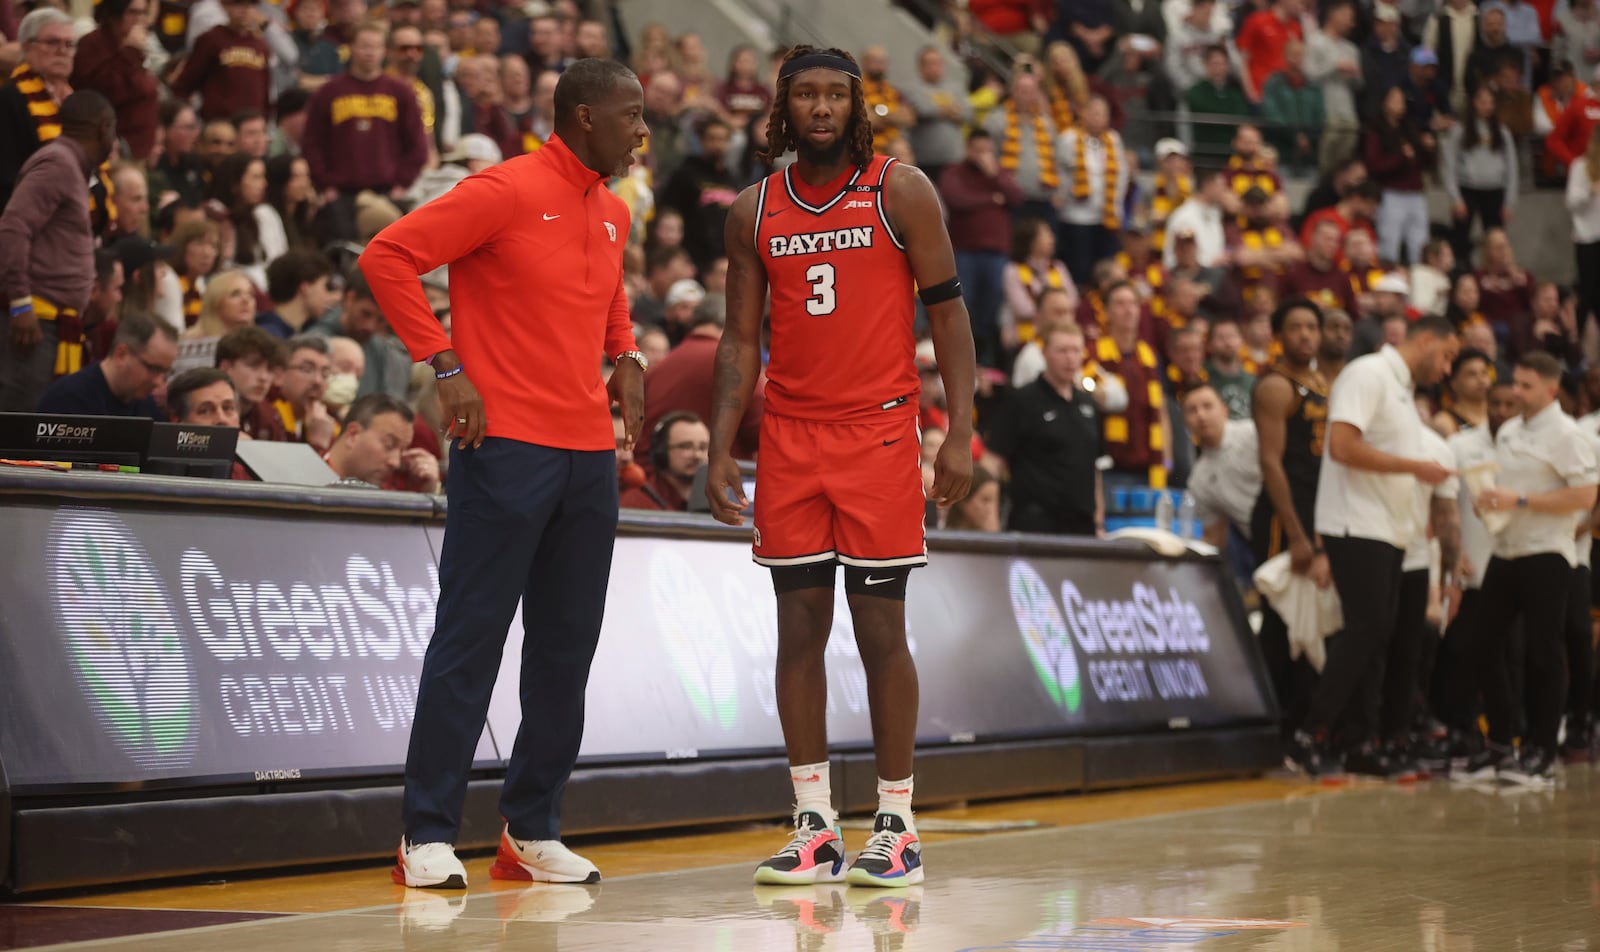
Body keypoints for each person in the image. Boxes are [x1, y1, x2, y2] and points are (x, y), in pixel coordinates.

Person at [357, 57, 647, 890]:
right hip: (505, 447)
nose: (640, 130)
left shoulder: (613, 209)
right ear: (585, 118)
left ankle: (532, 828)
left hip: (589, 453)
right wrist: (442, 362)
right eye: (629, 116)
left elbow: (609, 289)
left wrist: (624, 350)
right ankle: (426, 831)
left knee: (566, 648)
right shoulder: (505, 190)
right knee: (471, 639)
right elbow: (388, 256)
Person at [704, 46, 976, 889]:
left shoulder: (902, 190)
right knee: (797, 631)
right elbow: (739, 340)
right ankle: (814, 826)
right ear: (781, 109)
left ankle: (896, 822)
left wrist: (960, 429)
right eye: (805, 95)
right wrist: (720, 445)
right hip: (789, 438)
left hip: (881, 434)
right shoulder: (753, 210)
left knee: (880, 627)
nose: (820, 108)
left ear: (857, 106)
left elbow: (951, 313)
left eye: (834, 95)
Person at [1297, 315, 1459, 777]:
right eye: (1446, 355)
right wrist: (1415, 466)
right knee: (1367, 630)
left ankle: (1359, 741)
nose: (1447, 368)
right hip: (1353, 524)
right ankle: (1311, 732)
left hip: (1386, 529)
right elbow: (1342, 447)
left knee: (1380, 636)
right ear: (1425, 339)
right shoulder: (1367, 374)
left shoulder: (1402, 390)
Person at [1466, 352, 1599, 784]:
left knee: (1545, 652)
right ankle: (1502, 742)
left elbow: (1585, 496)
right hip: (1505, 549)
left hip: (1548, 552)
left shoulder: (1569, 434)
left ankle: (1543, 748)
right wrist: (1488, 500)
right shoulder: (1507, 431)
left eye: (1525, 386)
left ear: (1550, 389)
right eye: (1515, 383)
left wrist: (1521, 502)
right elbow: (1507, 488)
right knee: (1484, 646)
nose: (1515, 392)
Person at [0, 91, 117, 412]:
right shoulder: (58, 163)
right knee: (18, 425)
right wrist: (21, 305)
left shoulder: (69, 165)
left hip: (53, 321)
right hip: (34, 320)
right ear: (103, 128)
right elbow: (13, 226)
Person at [302, 20, 428, 242]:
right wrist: (325, 184)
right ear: (351, 48)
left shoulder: (400, 92)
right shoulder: (329, 92)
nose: (369, 53)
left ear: (385, 51)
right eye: (364, 46)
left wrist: (401, 183)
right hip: (341, 194)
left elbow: (417, 145)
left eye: (375, 47)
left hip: (387, 191)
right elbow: (312, 142)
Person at [989, 320, 1106, 535]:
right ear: (1044, 353)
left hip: (1082, 524)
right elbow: (992, 461)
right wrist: (991, 519)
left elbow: (1094, 467)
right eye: (1062, 351)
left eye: (1076, 351)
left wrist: (1099, 521)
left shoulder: (1088, 404)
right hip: (1035, 523)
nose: (1070, 358)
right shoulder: (1022, 400)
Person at [636, 295, 762, 465]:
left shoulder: (661, 367)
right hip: (718, 480)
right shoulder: (736, 362)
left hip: (659, 480)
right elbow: (760, 431)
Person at [0, 8, 75, 213]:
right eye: (52, 42)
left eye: (69, 44)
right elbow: (8, 176)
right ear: (26, 48)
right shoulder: (10, 98)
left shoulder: (75, 100)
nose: (63, 51)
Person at [36, 312, 175, 419]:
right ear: (121, 354)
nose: (158, 381)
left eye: (165, 372)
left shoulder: (145, 405)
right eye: (154, 369)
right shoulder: (68, 401)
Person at [1442, 85, 1517, 266]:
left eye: (1491, 102)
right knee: (1460, 241)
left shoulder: (1502, 132)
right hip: (1467, 189)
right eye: (1483, 102)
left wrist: (1508, 202)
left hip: (1495, 190)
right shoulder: (1459, 131)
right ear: (1474, 103)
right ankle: (1460, 277)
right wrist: (1456, 198)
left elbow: (1512, 169)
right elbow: (1448, 165)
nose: (1487, 106)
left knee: (1496, 241)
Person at [325, 392, 441, 492]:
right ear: (353, 435)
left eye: (402, 451)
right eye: (389, 445)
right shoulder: (308, 474)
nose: (395, 462)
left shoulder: (392, 493)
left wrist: (427, 492)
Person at [619, 410, 709, 510]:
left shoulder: (722, 498)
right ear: (661, 451)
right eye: (686, 446)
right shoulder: (637, 502)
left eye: (703, 447)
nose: (697, 455)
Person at [166, 367, 241, 428]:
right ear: (177, 421)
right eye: (205, 411)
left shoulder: (250, 445)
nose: (221, 419)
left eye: (227, 408)